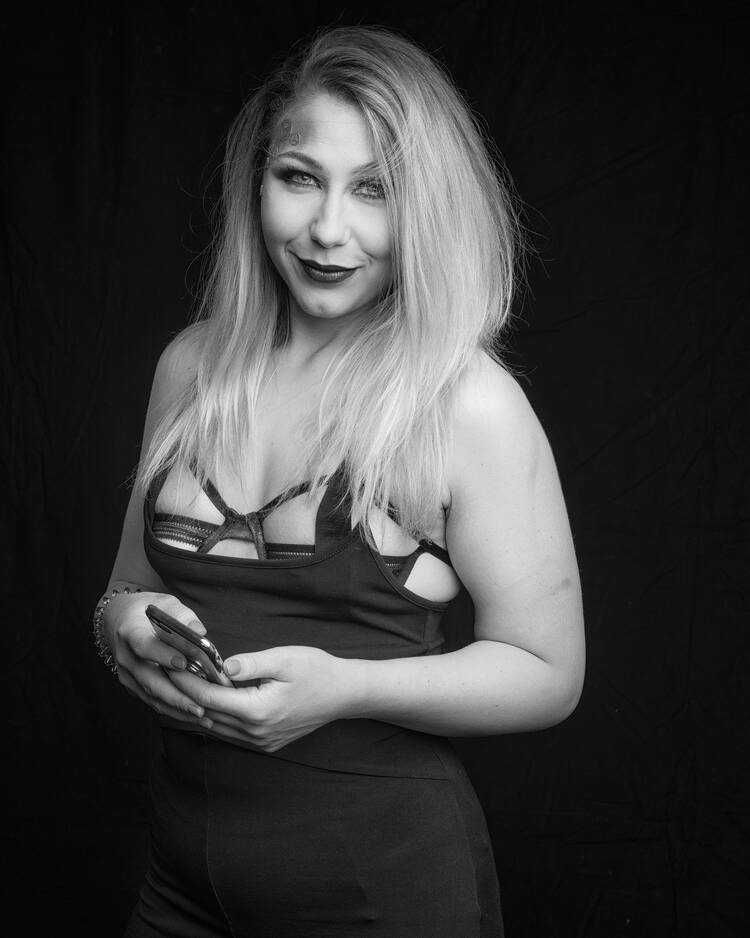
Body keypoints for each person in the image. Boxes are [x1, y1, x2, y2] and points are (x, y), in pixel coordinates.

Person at [93, 24, 585, 937]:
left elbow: (549, 674)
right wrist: (122, 625)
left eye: (375, 190)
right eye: (300, 178)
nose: (328, 230)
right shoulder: (192, 368)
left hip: (379, 888)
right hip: (179, 879)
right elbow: (128, 585)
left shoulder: (465, 403)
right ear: (258, 183)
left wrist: (346, 687)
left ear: (427, 209)